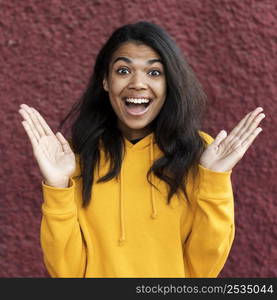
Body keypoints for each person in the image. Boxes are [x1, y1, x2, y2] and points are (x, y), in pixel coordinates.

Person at [18, 21, 265, 278]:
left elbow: (203, 270)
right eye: (123, 71)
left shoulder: (199, 154)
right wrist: (57, 186)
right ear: (105, 80)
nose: (138, 83)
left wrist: (214, 181)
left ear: (170, 83)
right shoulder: (74, 157)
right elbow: (66, 274)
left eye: (154, 73)